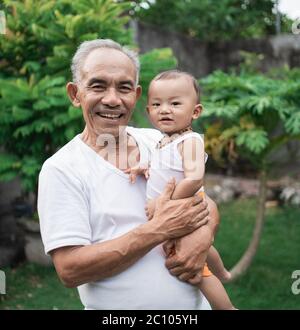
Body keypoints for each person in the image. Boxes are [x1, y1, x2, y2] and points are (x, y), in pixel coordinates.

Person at [38, 39, 220, 310]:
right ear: (75, 94)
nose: (112, 99)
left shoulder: (160, 141)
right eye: (98, 85)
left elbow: (206, 200)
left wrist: (204, 235)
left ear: (135, 96)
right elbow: (70, 269)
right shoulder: (62, 169)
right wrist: (159, 229)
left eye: (124, 87)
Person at [125, 70, 235, 310]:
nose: (165, 109)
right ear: (149, 112)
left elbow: (195, 179)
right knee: (202, 251)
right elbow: (162, 165)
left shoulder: (191, 141)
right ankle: (224, 272)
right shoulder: (163, 141)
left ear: (195, 111)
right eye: (157, 104)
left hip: (185, 206)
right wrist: (142, 166)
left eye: (175, 103)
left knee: (200, 272)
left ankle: (227, 306)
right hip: (176, 210)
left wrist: (163, 204)